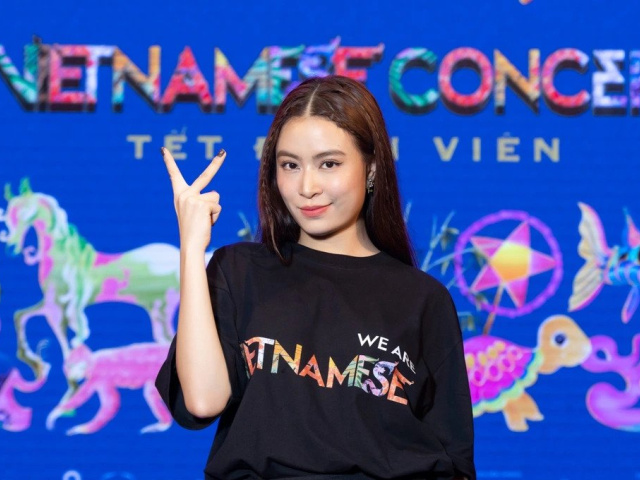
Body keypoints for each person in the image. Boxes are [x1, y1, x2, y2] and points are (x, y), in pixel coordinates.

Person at [155, 75, 475, 480]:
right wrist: (191, 244)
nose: (306, 187)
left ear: (372, 168)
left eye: (329, 164)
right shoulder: (238, 271)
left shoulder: (423, 300)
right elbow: (203, 401)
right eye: (290, 165)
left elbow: (454, 459)